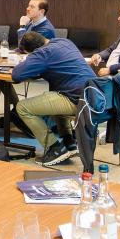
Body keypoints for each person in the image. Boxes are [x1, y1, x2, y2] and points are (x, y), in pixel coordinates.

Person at [12, 31, 97, 167]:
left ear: (33, 50)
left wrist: (29, 59)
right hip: (95, 95)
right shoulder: (64, 42)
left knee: (22, 107)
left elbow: (16, 75)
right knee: (55, 95)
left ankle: (55, 147)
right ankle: (69, 142)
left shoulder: (42, 53)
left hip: (78, 101)